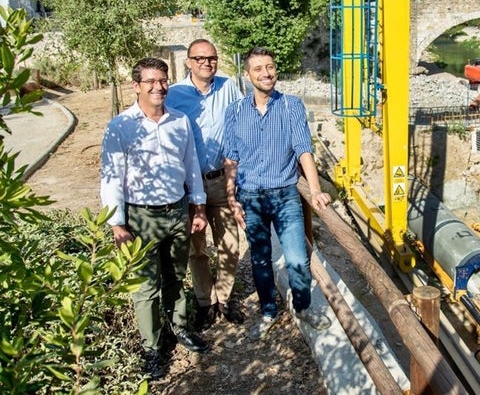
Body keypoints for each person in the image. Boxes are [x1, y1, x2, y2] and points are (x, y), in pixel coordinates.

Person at [100, 57, 210, 380]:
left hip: (177, 212)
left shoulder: (180, 121)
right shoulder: (121, 126)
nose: (158, 87)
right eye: (150, 81)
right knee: (146, 287)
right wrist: (118, 224)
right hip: (141, 218)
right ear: (136, 86)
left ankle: (179, 329)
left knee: (176, 277)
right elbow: (111, 179)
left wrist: (198, 207)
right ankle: (152, 347)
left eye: (162, 80)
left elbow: (191, 167)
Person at [222, 46, 332, 340]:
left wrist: (316, 190)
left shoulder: (291, 106)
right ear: (247, 76)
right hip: (251, 198)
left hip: (285, 195)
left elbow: (303, 150)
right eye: (258, 69)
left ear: (276, 70)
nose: (265, 73)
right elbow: (231, 158)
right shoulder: (234, 111)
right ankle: (269, 310)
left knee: (297, 258)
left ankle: (304, 307)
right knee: (260, 259)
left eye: (269, 67)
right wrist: (232, 198)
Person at [165, 39, 245, 331]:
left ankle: (223, 299)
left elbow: (241, 128)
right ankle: (205, 303)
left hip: (221, 181)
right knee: (195, 249)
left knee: (230, 244)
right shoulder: (173, 94)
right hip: (188, 186)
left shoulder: (229, 88)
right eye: (199, 58)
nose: (206, 63)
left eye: (211, 58)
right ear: (188, 62)